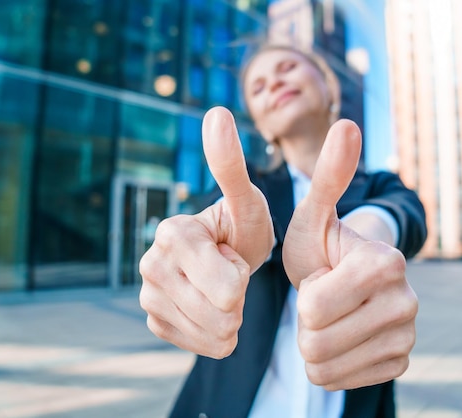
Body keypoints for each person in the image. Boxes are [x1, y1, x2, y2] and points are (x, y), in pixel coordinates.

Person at [139, 43, 427, 418]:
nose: (274, 82)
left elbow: (403, 214)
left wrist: (360, 237)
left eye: (288, 67)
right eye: (258, 87)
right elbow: (218, 220)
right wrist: (202, 248)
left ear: (329, 89)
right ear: (261, 125)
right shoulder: (245, 187)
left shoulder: (381, 185)